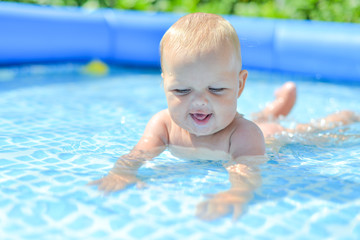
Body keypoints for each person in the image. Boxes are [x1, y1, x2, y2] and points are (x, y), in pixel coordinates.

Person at [90, 13, 359, 221]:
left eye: (217, 89)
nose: (199, 101)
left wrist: (237, 191)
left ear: (240, 85)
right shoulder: (163, 124)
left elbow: (245, 170)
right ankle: (278, 104)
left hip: (271, 136)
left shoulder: (243, 134)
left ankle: (341, 117)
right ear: (164, 85)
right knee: (244, 114)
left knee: (309, 132)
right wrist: (122, 173)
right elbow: (138, 154)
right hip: (236, 118)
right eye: (182, 90)